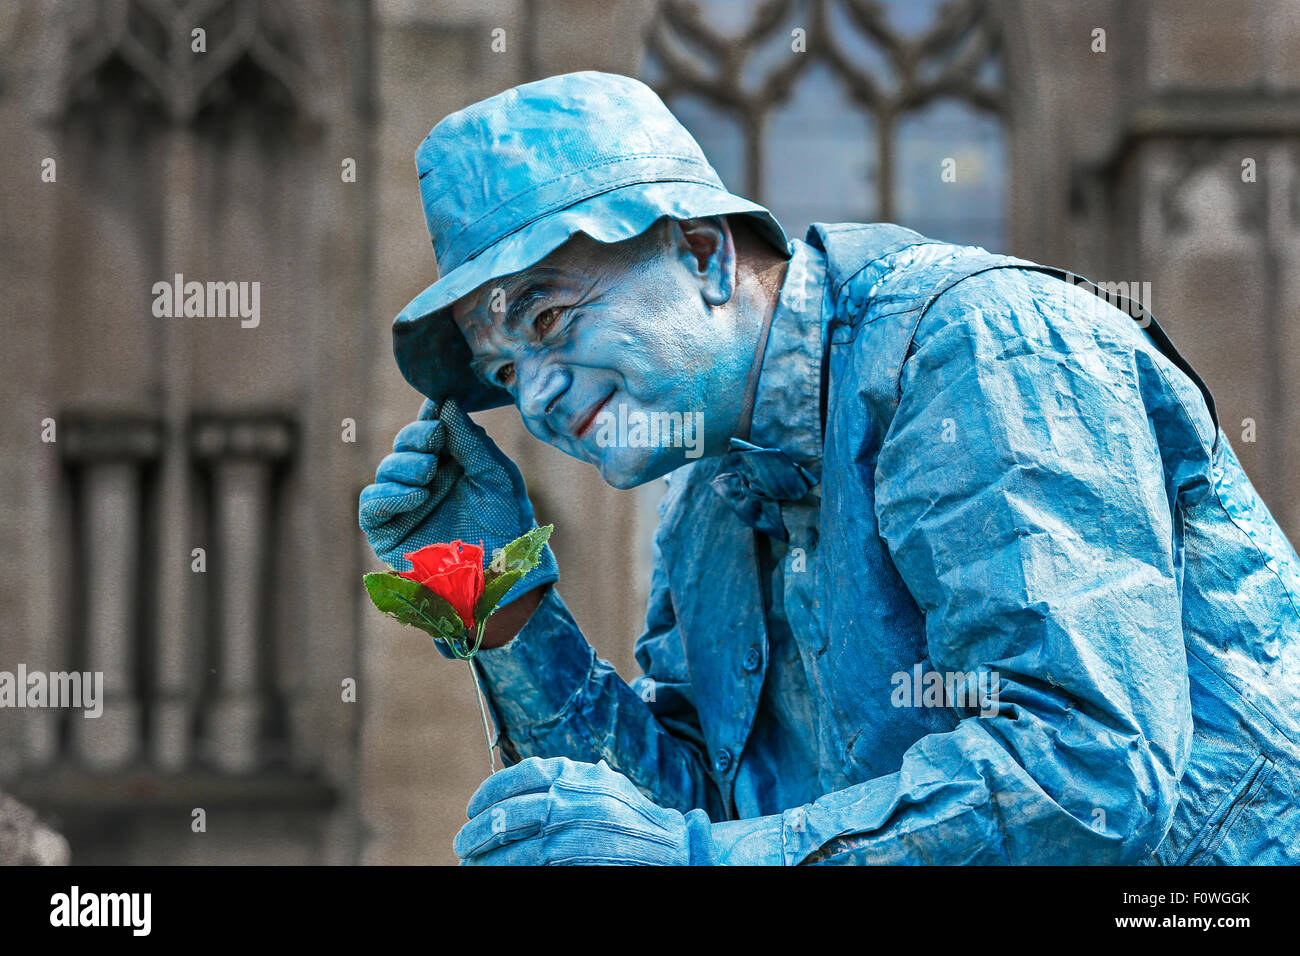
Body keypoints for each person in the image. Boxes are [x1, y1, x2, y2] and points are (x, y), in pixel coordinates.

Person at [359, 71, 1300, 865]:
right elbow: (700, 816)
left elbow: (1089, 767)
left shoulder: (983, 347)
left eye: (549, 319)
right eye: (503, 372)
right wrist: (495, 600)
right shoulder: (710, 505)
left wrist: (694, 860)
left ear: (702, 252)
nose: (534, 401)